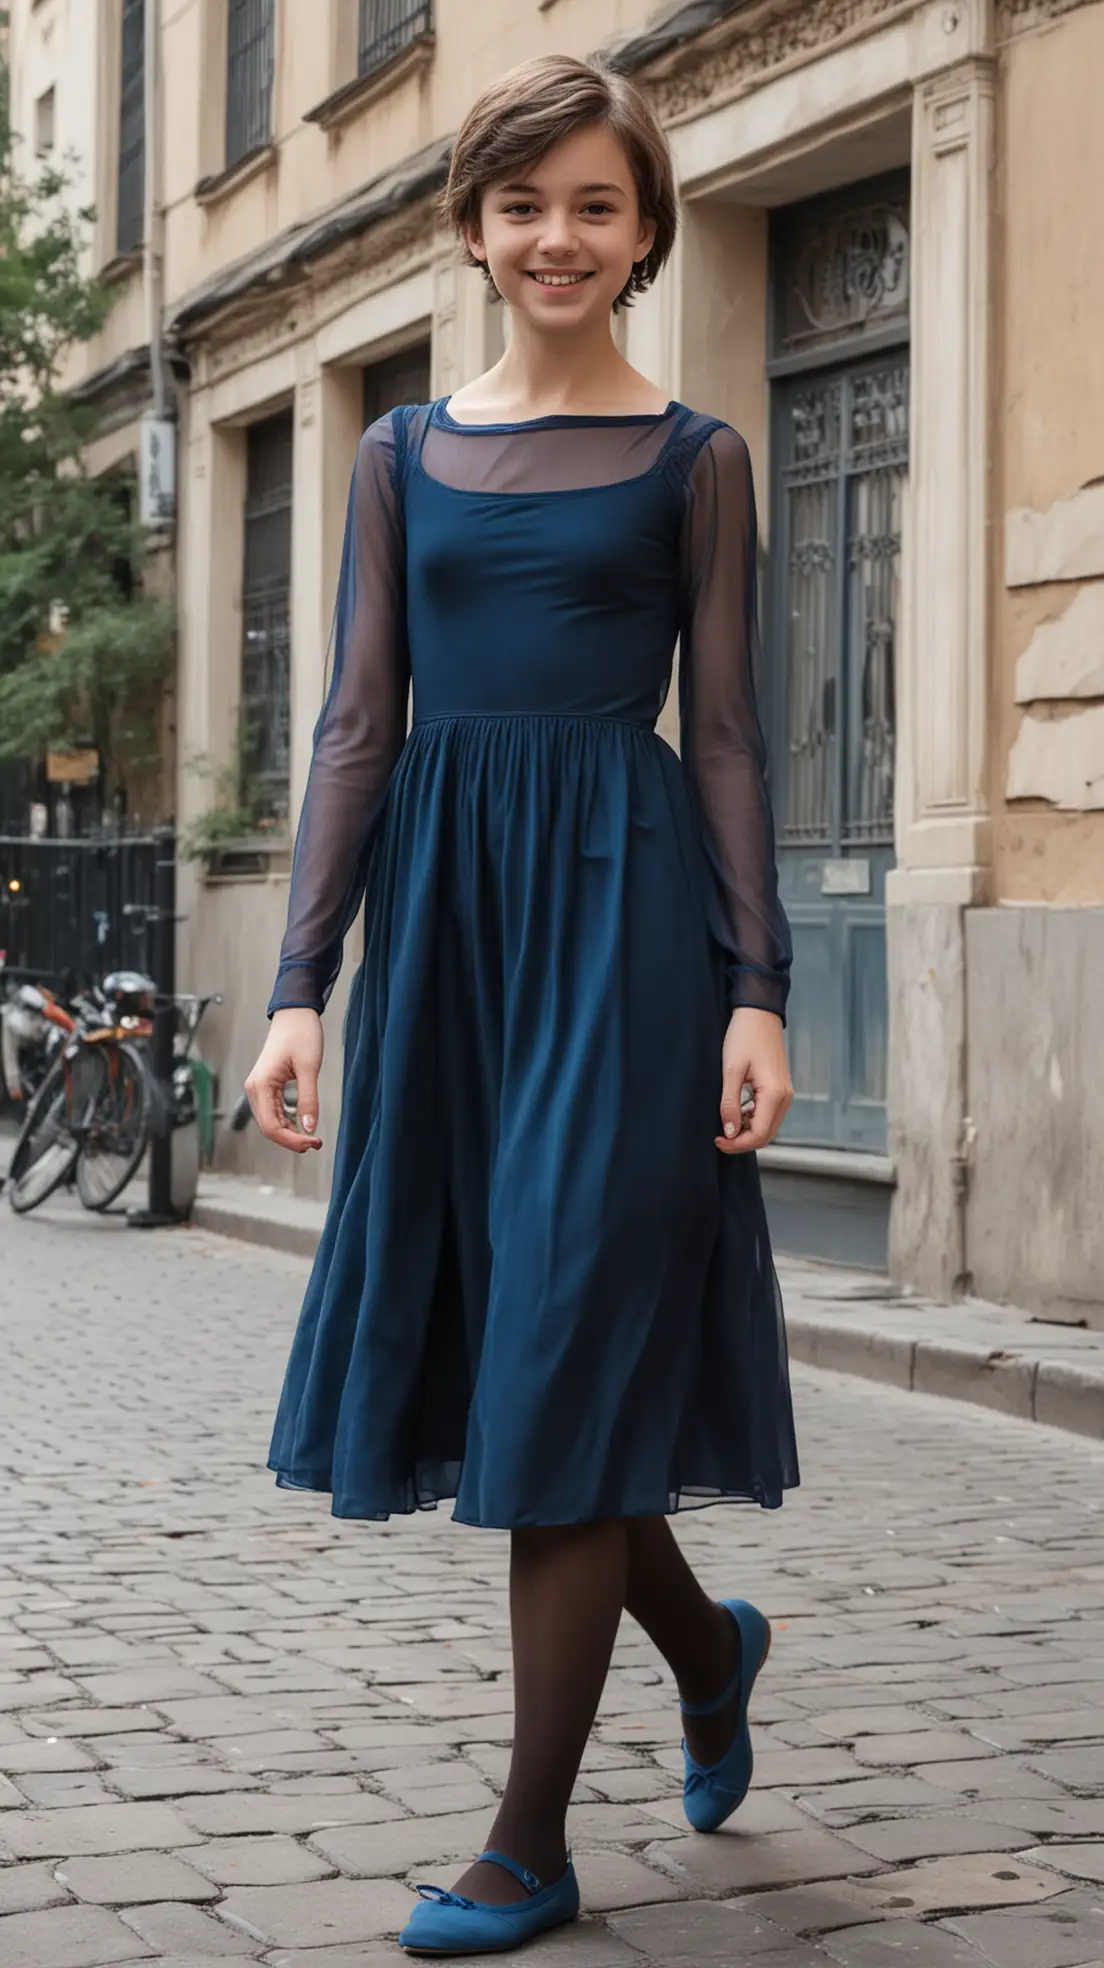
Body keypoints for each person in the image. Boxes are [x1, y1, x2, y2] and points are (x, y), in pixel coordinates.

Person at [246, 53, 799, 1956]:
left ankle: (529, 1843)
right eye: (522, 204)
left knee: (563, 1335)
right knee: (522, 1371)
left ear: (644, 234)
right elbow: (354, 727)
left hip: (626, 937)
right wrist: (301, 988)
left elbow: (722, 740)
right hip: (451, 945)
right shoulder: (398, 456)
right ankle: (707, 1650)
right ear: (473, 228)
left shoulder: (697, 459)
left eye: (594, 205)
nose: (556, 236)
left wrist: (758, 990)